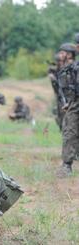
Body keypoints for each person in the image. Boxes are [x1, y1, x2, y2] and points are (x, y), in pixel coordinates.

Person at [56, 43, 79, 177]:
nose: (60, 55)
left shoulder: (75, 68)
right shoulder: (66, 69)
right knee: (69, 131)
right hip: (73, 103)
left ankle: (67, 166)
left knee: (70, 132)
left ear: (69, 54)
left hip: (76, 104)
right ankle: (67, 164)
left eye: (62, 52)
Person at [48, 53, 64, 130]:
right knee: (58, 113)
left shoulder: (66, 69)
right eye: (57, 61)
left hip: (65, 95)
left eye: (60, 61)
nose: (58, 63)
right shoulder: (54, 70)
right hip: (58, 94)